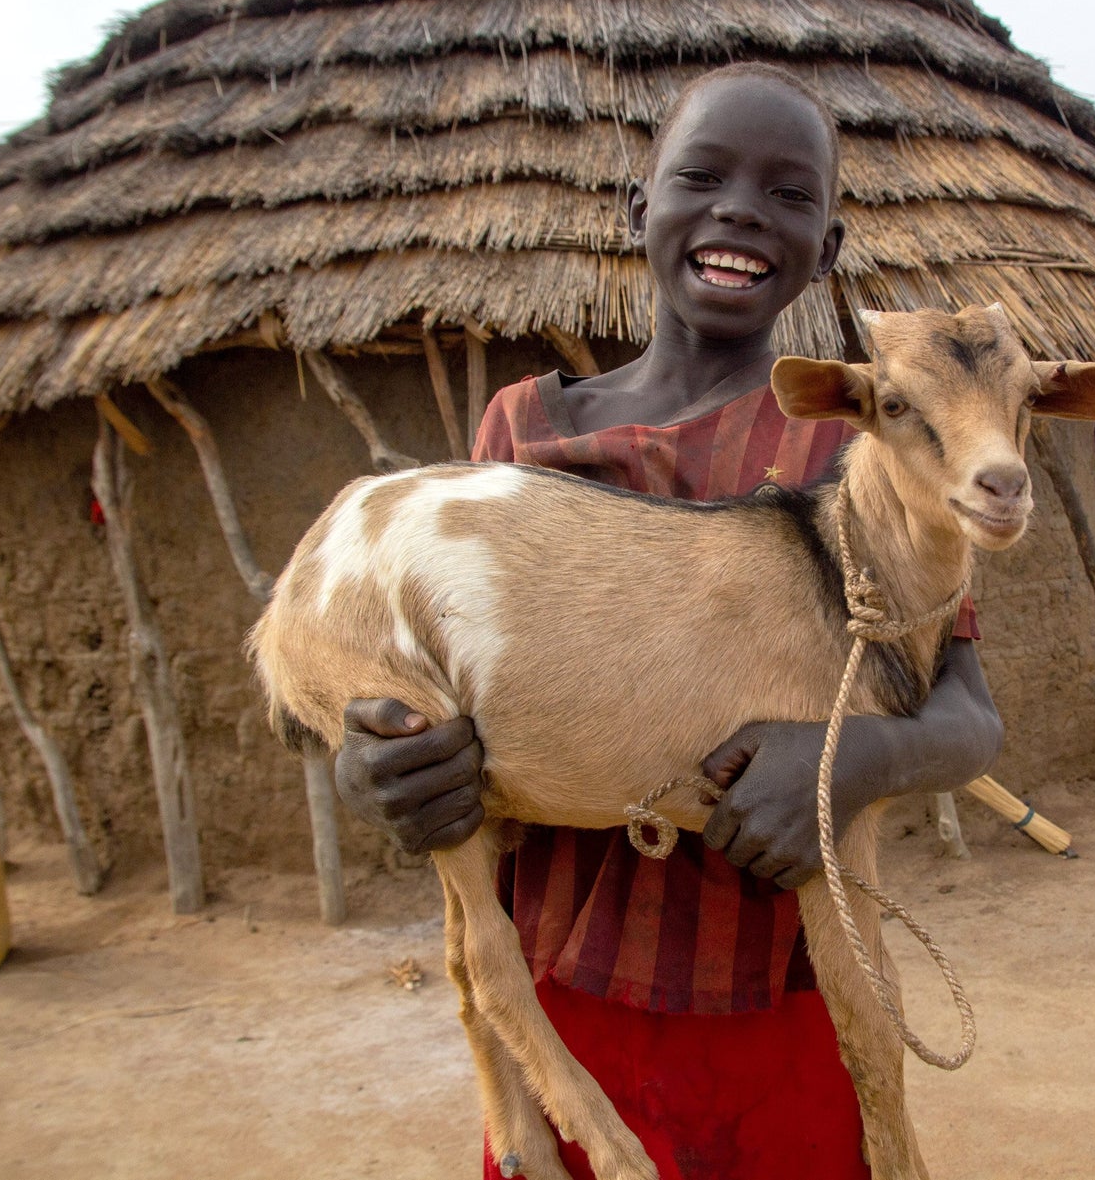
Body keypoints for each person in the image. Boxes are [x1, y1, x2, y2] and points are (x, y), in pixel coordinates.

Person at [335, 62, 1004, 1180]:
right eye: (701, 176)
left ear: (826, 250)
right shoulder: (520, 427)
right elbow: (424, 664)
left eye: (790, 195)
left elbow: (968, 717)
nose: (741, 208)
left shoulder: (866, 449)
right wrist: (382, 761)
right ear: (638, 212)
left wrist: (838, 760)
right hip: (557, 998)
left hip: (783, 995)